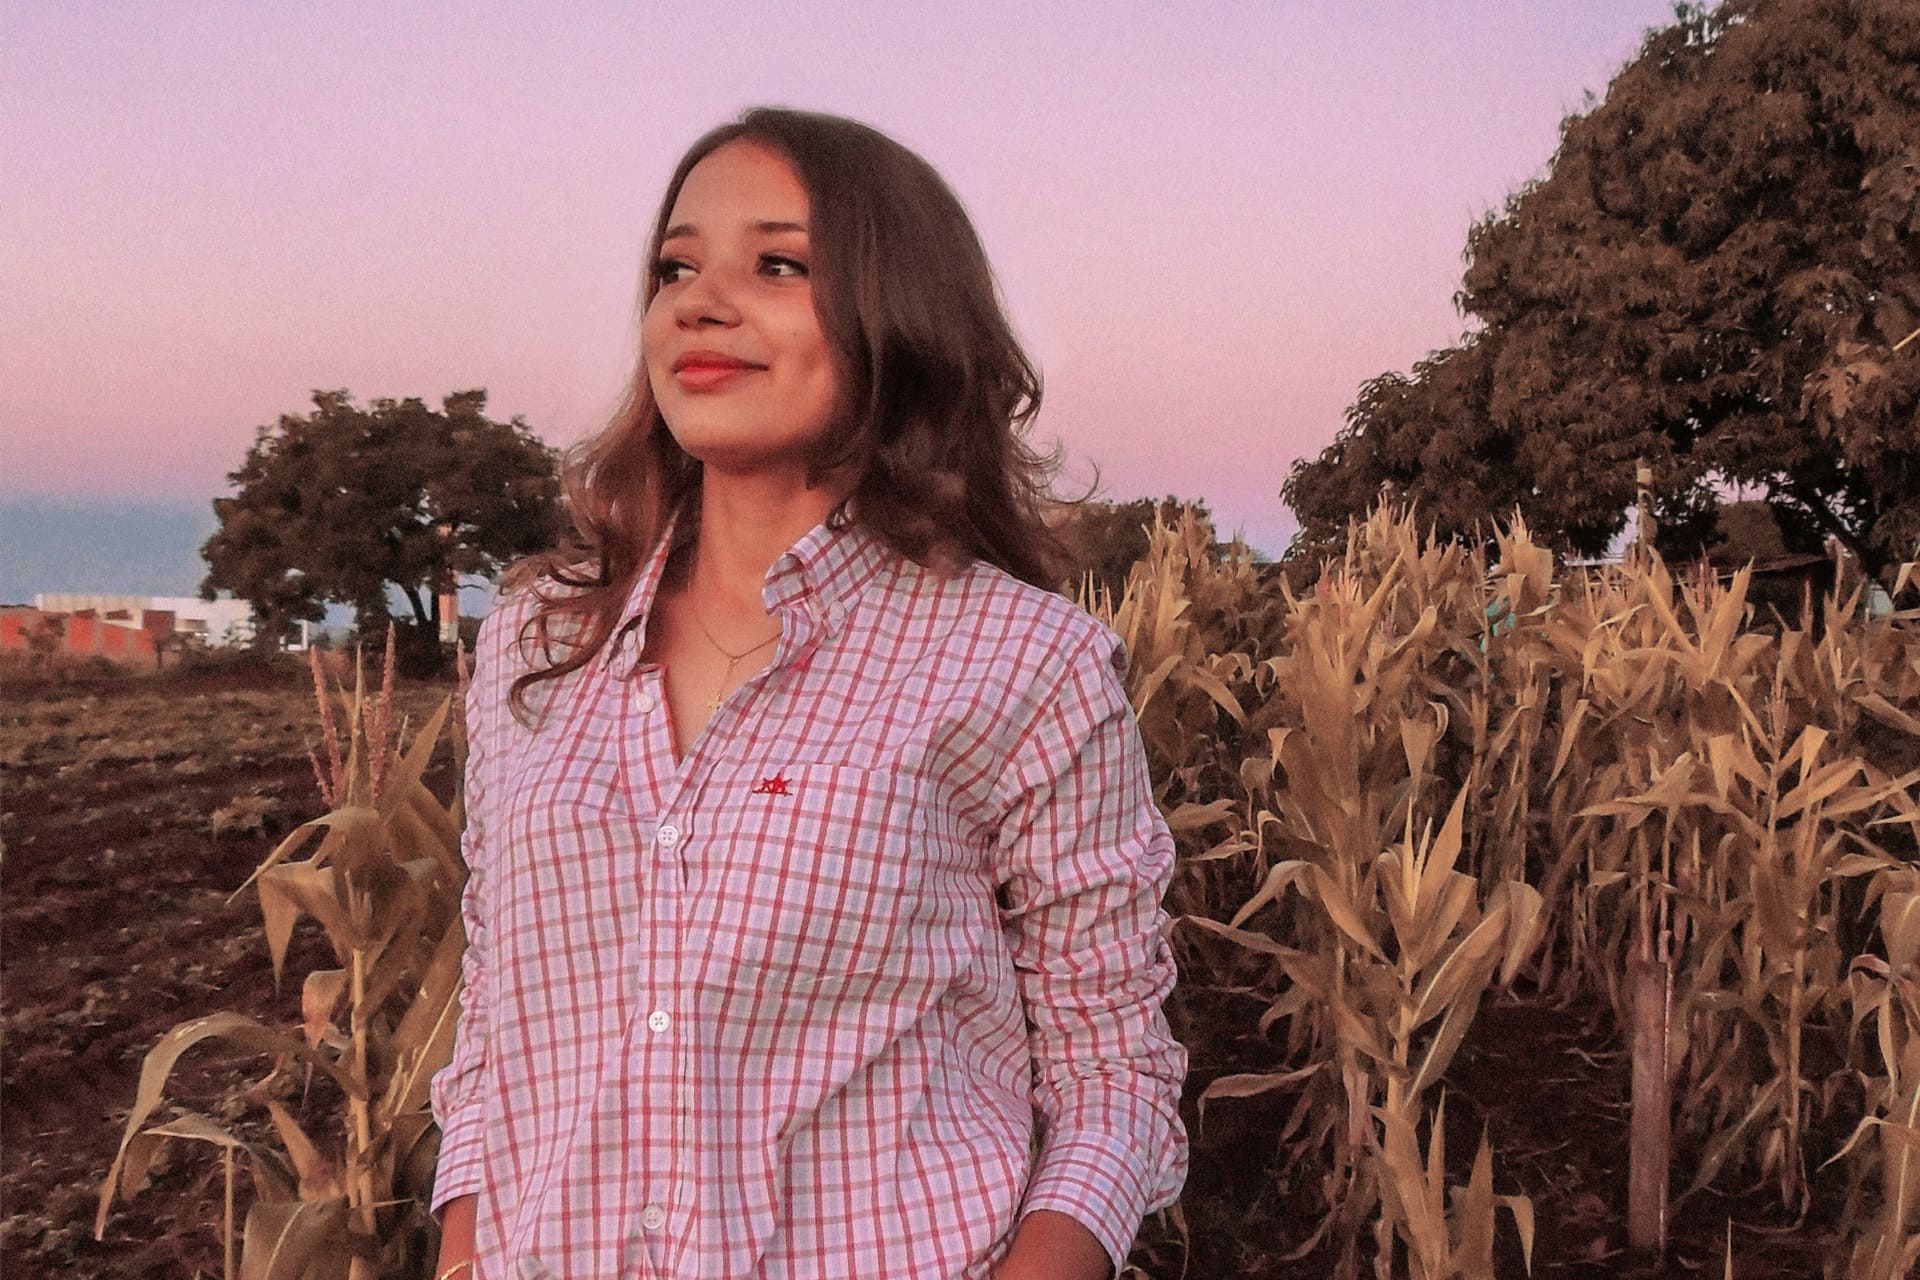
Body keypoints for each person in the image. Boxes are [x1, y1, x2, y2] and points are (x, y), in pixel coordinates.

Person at [429, 106, 1187, 1280]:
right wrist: (462, 1254)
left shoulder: (1023, 661)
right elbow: (498, 1019)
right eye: (676, 267)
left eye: (777, 265)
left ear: (899, 315)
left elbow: (1113, 1076)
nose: (699, 303)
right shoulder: (539, 638)